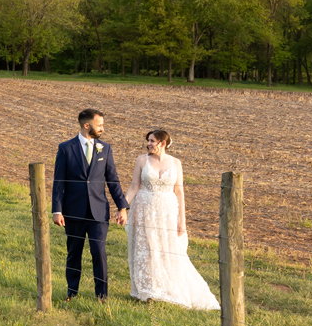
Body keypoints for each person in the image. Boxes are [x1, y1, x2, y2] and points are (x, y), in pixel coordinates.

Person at [126, 129, 220, 310]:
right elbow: (134, 186)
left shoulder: (176, 163)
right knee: (146, 249)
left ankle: (167, 288)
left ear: (162, 143)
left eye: (152, 141)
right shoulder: (141, 160)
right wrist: (123, 207)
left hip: (167, 212)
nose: (148, 144)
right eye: (148, 141)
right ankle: (149, 290)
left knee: (168, 249)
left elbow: (179, 192)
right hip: (144, 210)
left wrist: (182, 221)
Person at [52, 108, 128, 301]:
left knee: (99, 252)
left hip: (98, 212)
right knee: (74, 252)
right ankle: (72, 292)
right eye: (99, 125)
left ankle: (102, 295)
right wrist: (57, 210)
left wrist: (122, 207)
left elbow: (113, 181)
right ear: (87, 125)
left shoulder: (105, 148)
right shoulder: (66, 148)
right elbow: (59, 182)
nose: (102, 128)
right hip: (73, 211)